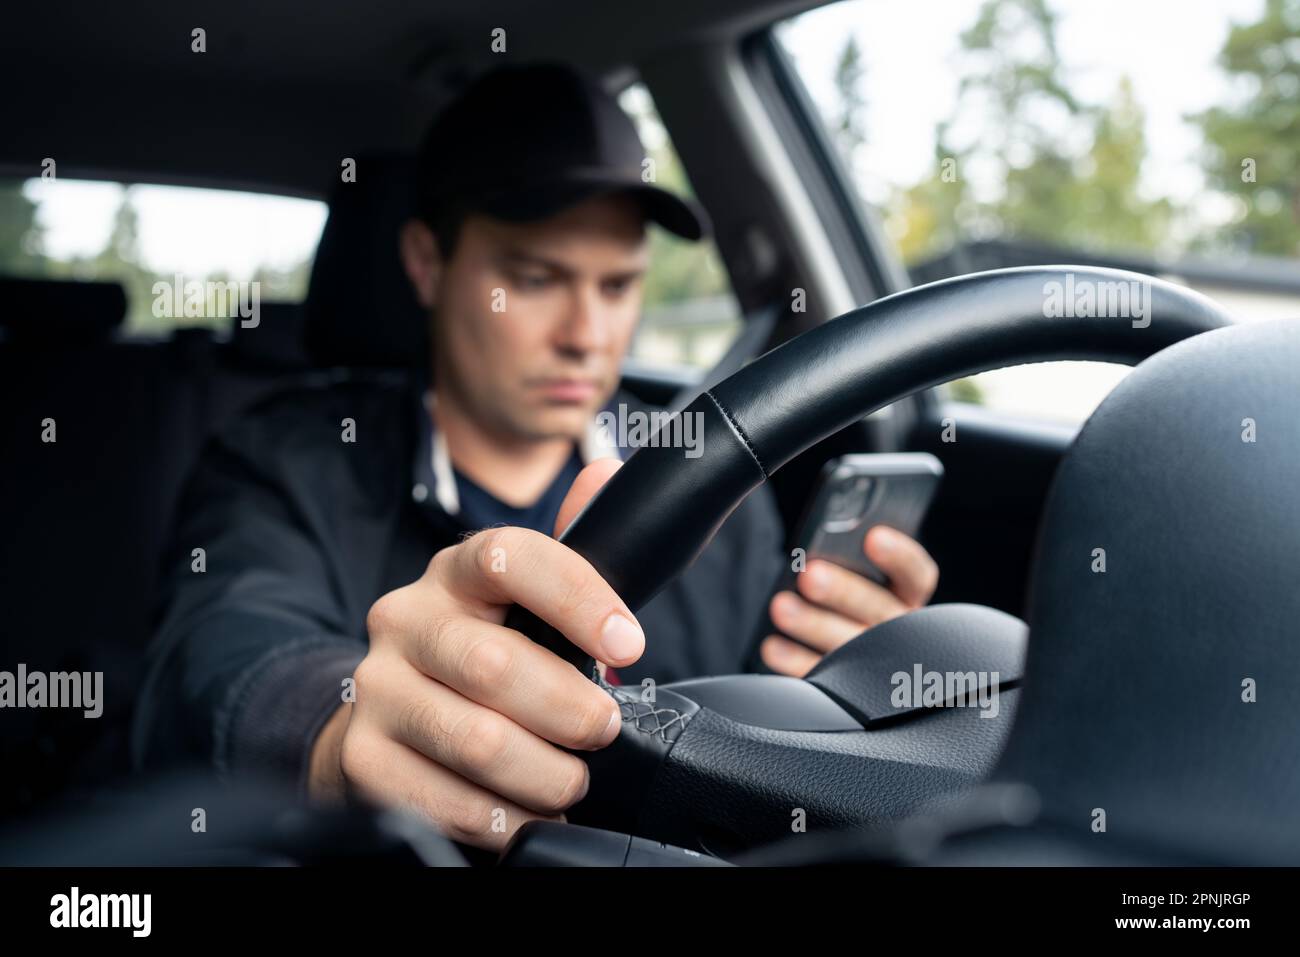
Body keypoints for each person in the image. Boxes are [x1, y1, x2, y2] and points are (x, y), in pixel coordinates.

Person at [132, 63, 939, 851]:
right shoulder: (282, 460)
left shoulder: (704, 472)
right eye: (535, 278)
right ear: (426, 263)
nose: (586, 336)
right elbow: (220, 654)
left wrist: (850, 690)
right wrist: (341, 730)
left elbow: (749, 752)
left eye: (618, 286)